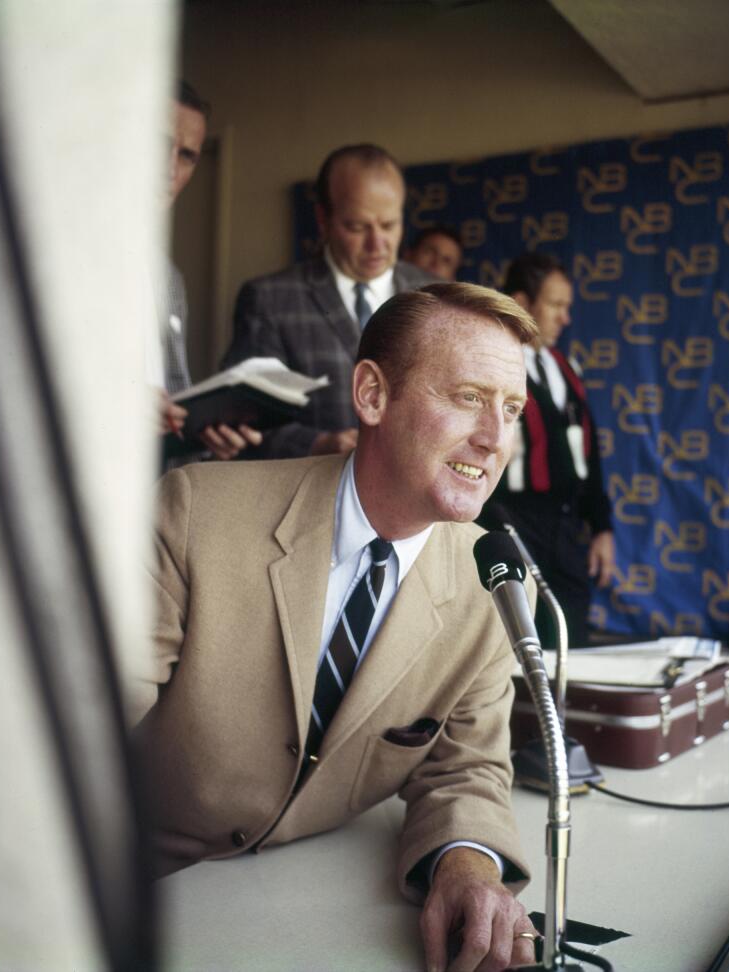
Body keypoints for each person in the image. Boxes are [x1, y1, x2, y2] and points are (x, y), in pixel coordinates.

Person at [131, 282, 542, 971]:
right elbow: (69, 733)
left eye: (512, 409)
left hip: (308, 913)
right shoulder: (193, 512)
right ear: (373, 395)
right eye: (468, 397)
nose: (495, 438)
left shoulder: (492, 580)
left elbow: (465, 768)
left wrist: (467, 867)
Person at [222, 144, 437, 459]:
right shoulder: (270, 299)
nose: (377, 244)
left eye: (389, 225)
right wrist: (317, 445)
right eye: (357, 227)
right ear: (323, 218)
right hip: (312, 492)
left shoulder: (436, 296)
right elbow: (241, 421)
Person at [481, 252, 615, 646]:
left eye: (566, 307)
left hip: (566, 525)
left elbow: (589, 454)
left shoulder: (564, 366)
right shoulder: (492, 365)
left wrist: (601, 526)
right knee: (518, 637)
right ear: (522, 303)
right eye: (556, 305)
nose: (565, 318)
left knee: (572, 633)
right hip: (513, 519)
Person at [156, 81, 261, 462]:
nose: (168, 169)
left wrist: (206, 436)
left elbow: (172, 396)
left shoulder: (168, 278)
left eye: (186, 155)